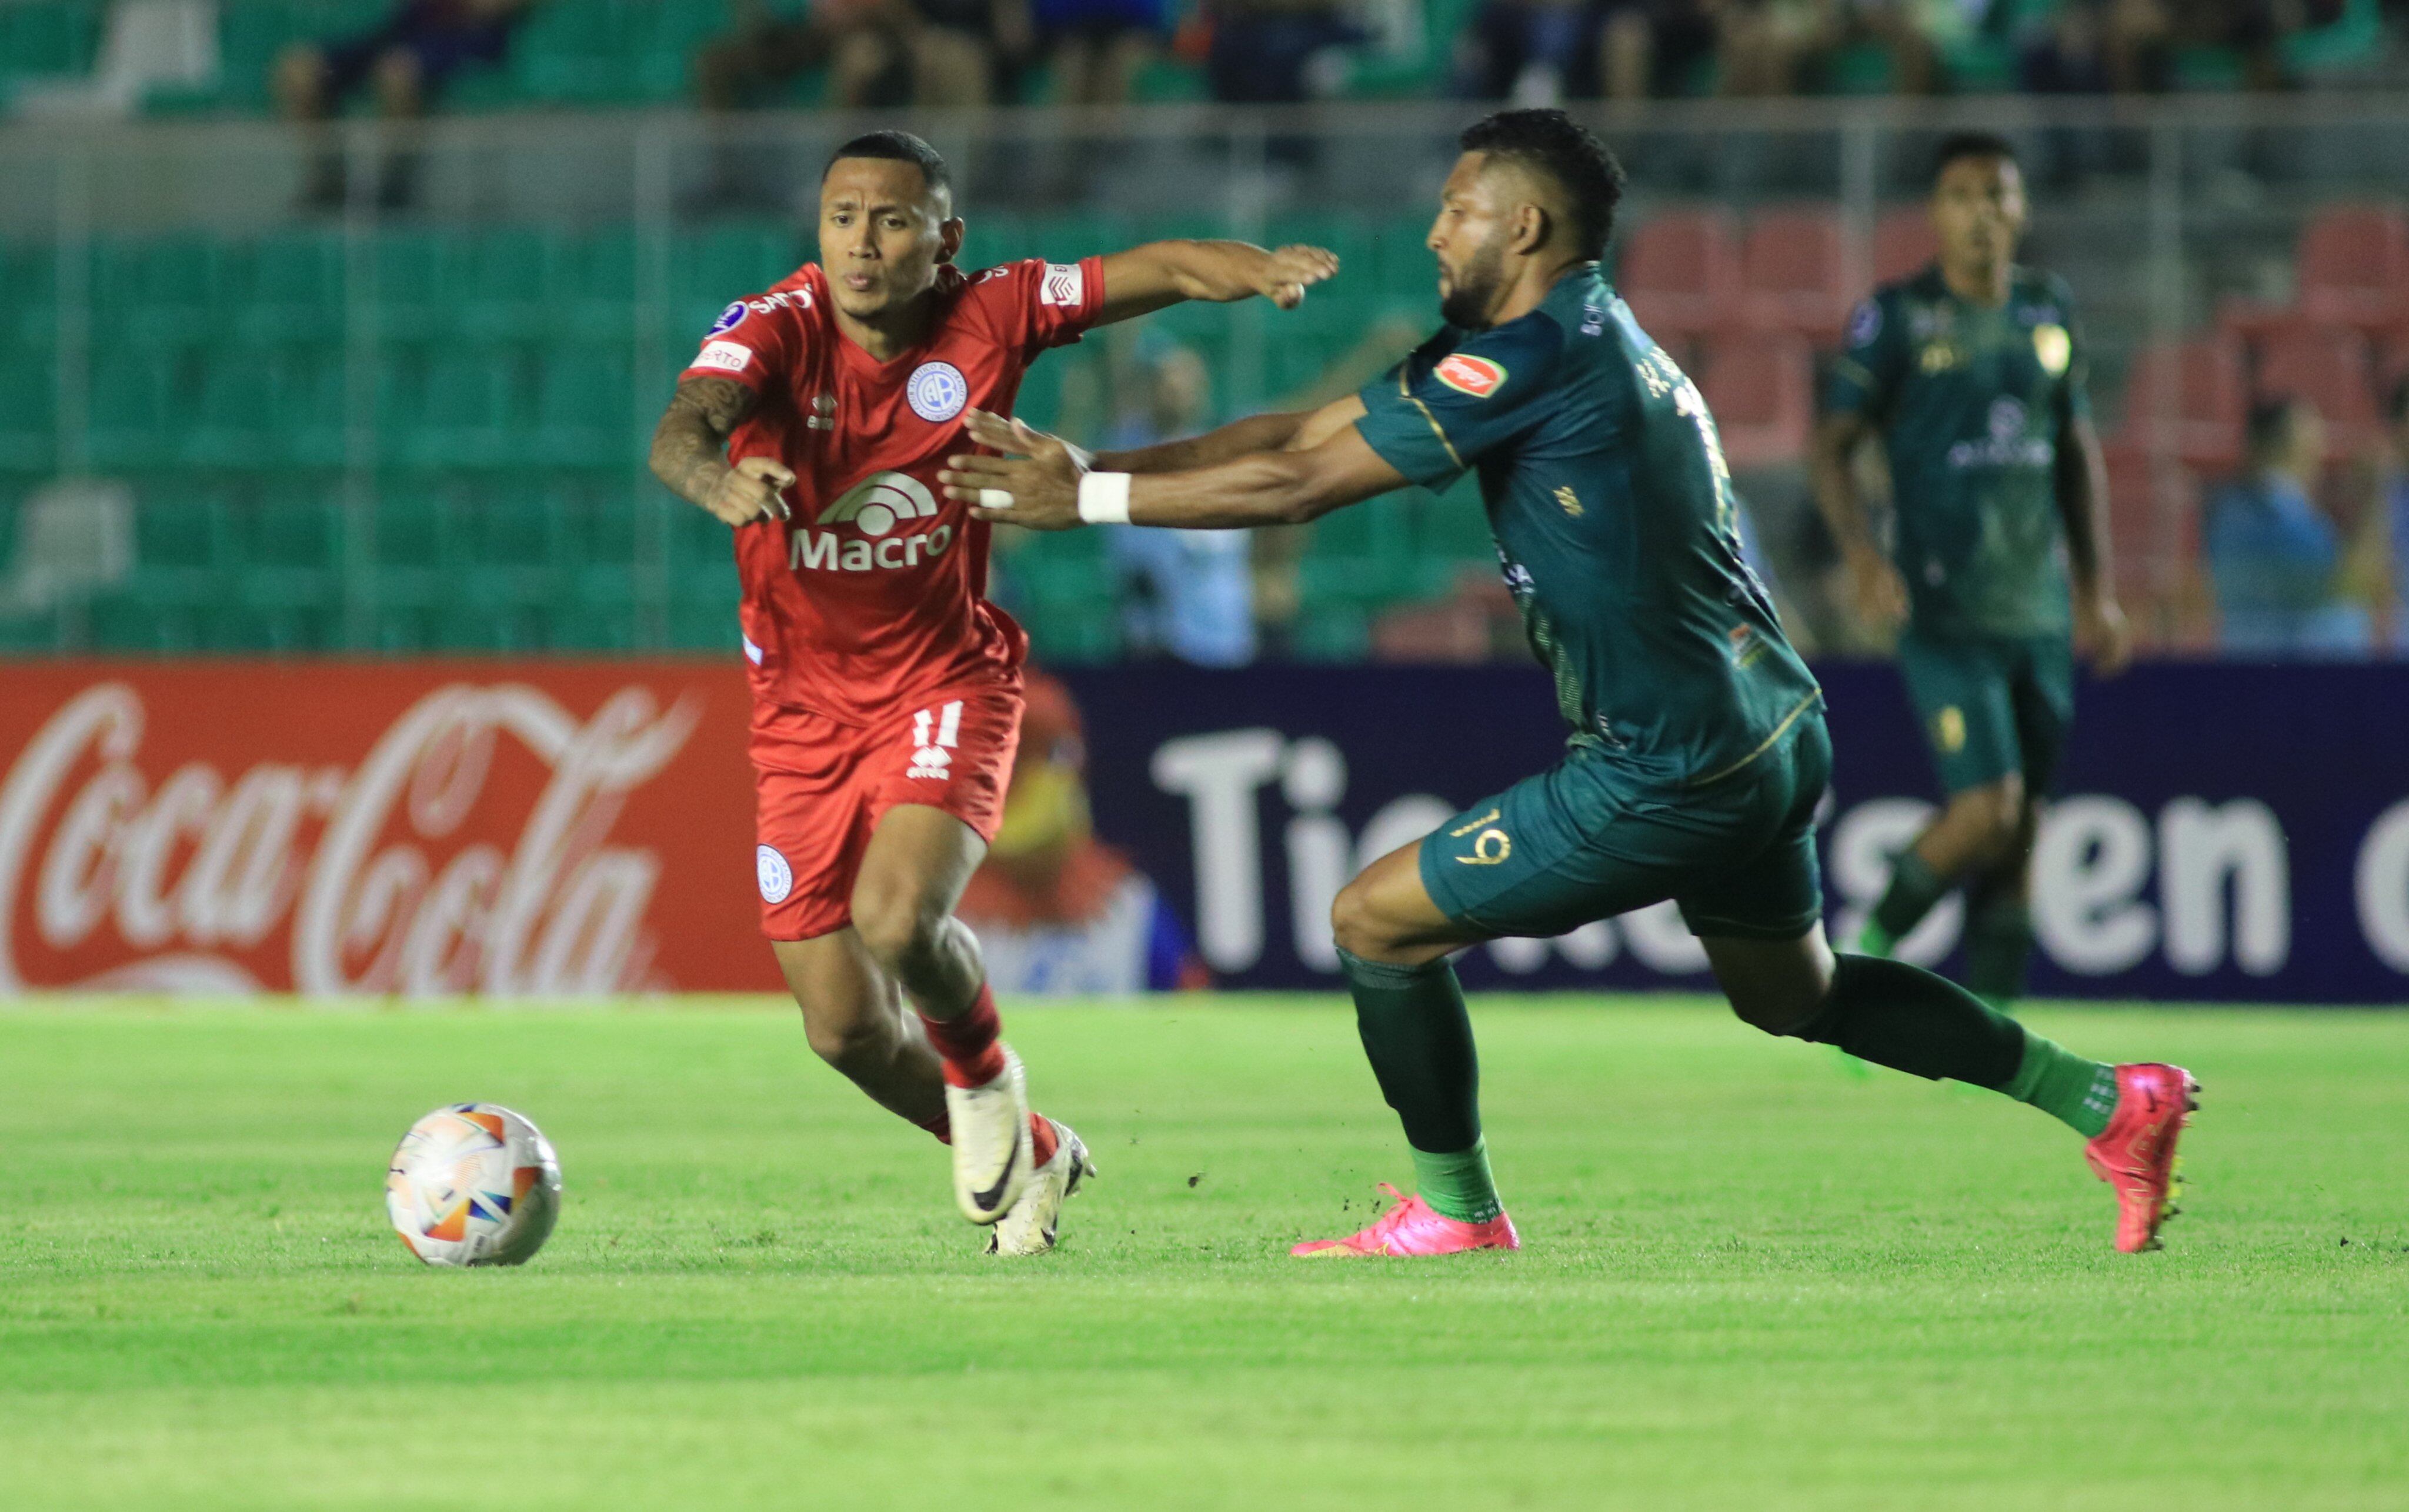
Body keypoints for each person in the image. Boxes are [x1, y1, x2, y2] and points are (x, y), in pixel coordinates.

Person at [939, 108, 2196, 1260]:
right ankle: (2107, 1099)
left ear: (1523, 225)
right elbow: (1297, 434)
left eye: (1455, 209)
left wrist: (1092, 501)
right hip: (1768, 726)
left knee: (1373, 920)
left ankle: (1454, 1206)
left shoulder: (1533, 357)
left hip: (1671, 760)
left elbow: (1302, 492)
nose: (1432, 232)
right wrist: (1092, 460)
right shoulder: (1562, 335)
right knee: (1793, 993)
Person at [646, 130, 1337, 1253]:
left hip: (945, 679)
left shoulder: (995, 309)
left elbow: (1152, 270)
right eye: (842, 218)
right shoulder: (775, 325)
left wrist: (1252, 269)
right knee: (841, 1029)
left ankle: (983, 1071)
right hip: (798, 716)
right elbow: (680, 431)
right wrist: (715, 477)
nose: (861, 243)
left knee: (896, 916)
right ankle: (1043, 1143)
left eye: (892, 219)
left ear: (943, 238)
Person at [1811, 131, 2130, 1014]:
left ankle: (1998, 1023)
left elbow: (2074, 450)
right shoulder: (1899, 317)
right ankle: (1860, 955)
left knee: (2024, 827)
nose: (1982, 212)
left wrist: (2097, 589)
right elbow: (1830, 446)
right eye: (1962, 195)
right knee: (1987, 807)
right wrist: (1866, 559)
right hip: (1944, 605)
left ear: (2022, 209)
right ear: (1936, 214)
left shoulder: (2047, 311)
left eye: (1998, 194)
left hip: (2038, 607)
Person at [276, 0, 537, 211]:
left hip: (469, 38)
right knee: (299, 69)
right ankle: (328, 182)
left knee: (398, 72)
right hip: (403, 29)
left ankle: (394, 186)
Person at [1099, 343, 1258, 666]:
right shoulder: (1126, 449)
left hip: (1223, 639)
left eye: (1186, 383)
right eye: (1166, 383)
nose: (1176, 393)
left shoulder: (1223, 453)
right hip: (1152, 641)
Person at [2204, 396, 2371, 656]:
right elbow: (2342, 586)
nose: (2321, 449)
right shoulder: (2256, 513)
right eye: (2312, 437)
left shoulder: (2297, 511)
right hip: (2280, 674)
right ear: (2282, 444)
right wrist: (2376, 500)